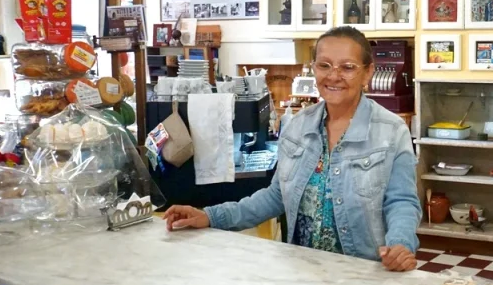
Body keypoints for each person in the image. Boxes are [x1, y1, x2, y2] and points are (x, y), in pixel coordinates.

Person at [164, 26, 421, 272]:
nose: (333, 76)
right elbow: (275, 196)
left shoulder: (391, 131)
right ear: (314, 69)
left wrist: (401, 244)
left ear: (367, 73)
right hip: (302, 272)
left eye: (348, 67)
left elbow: (402, 202)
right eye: (324, 65)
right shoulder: (297, 126)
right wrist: (210, 216)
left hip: (363, 273)